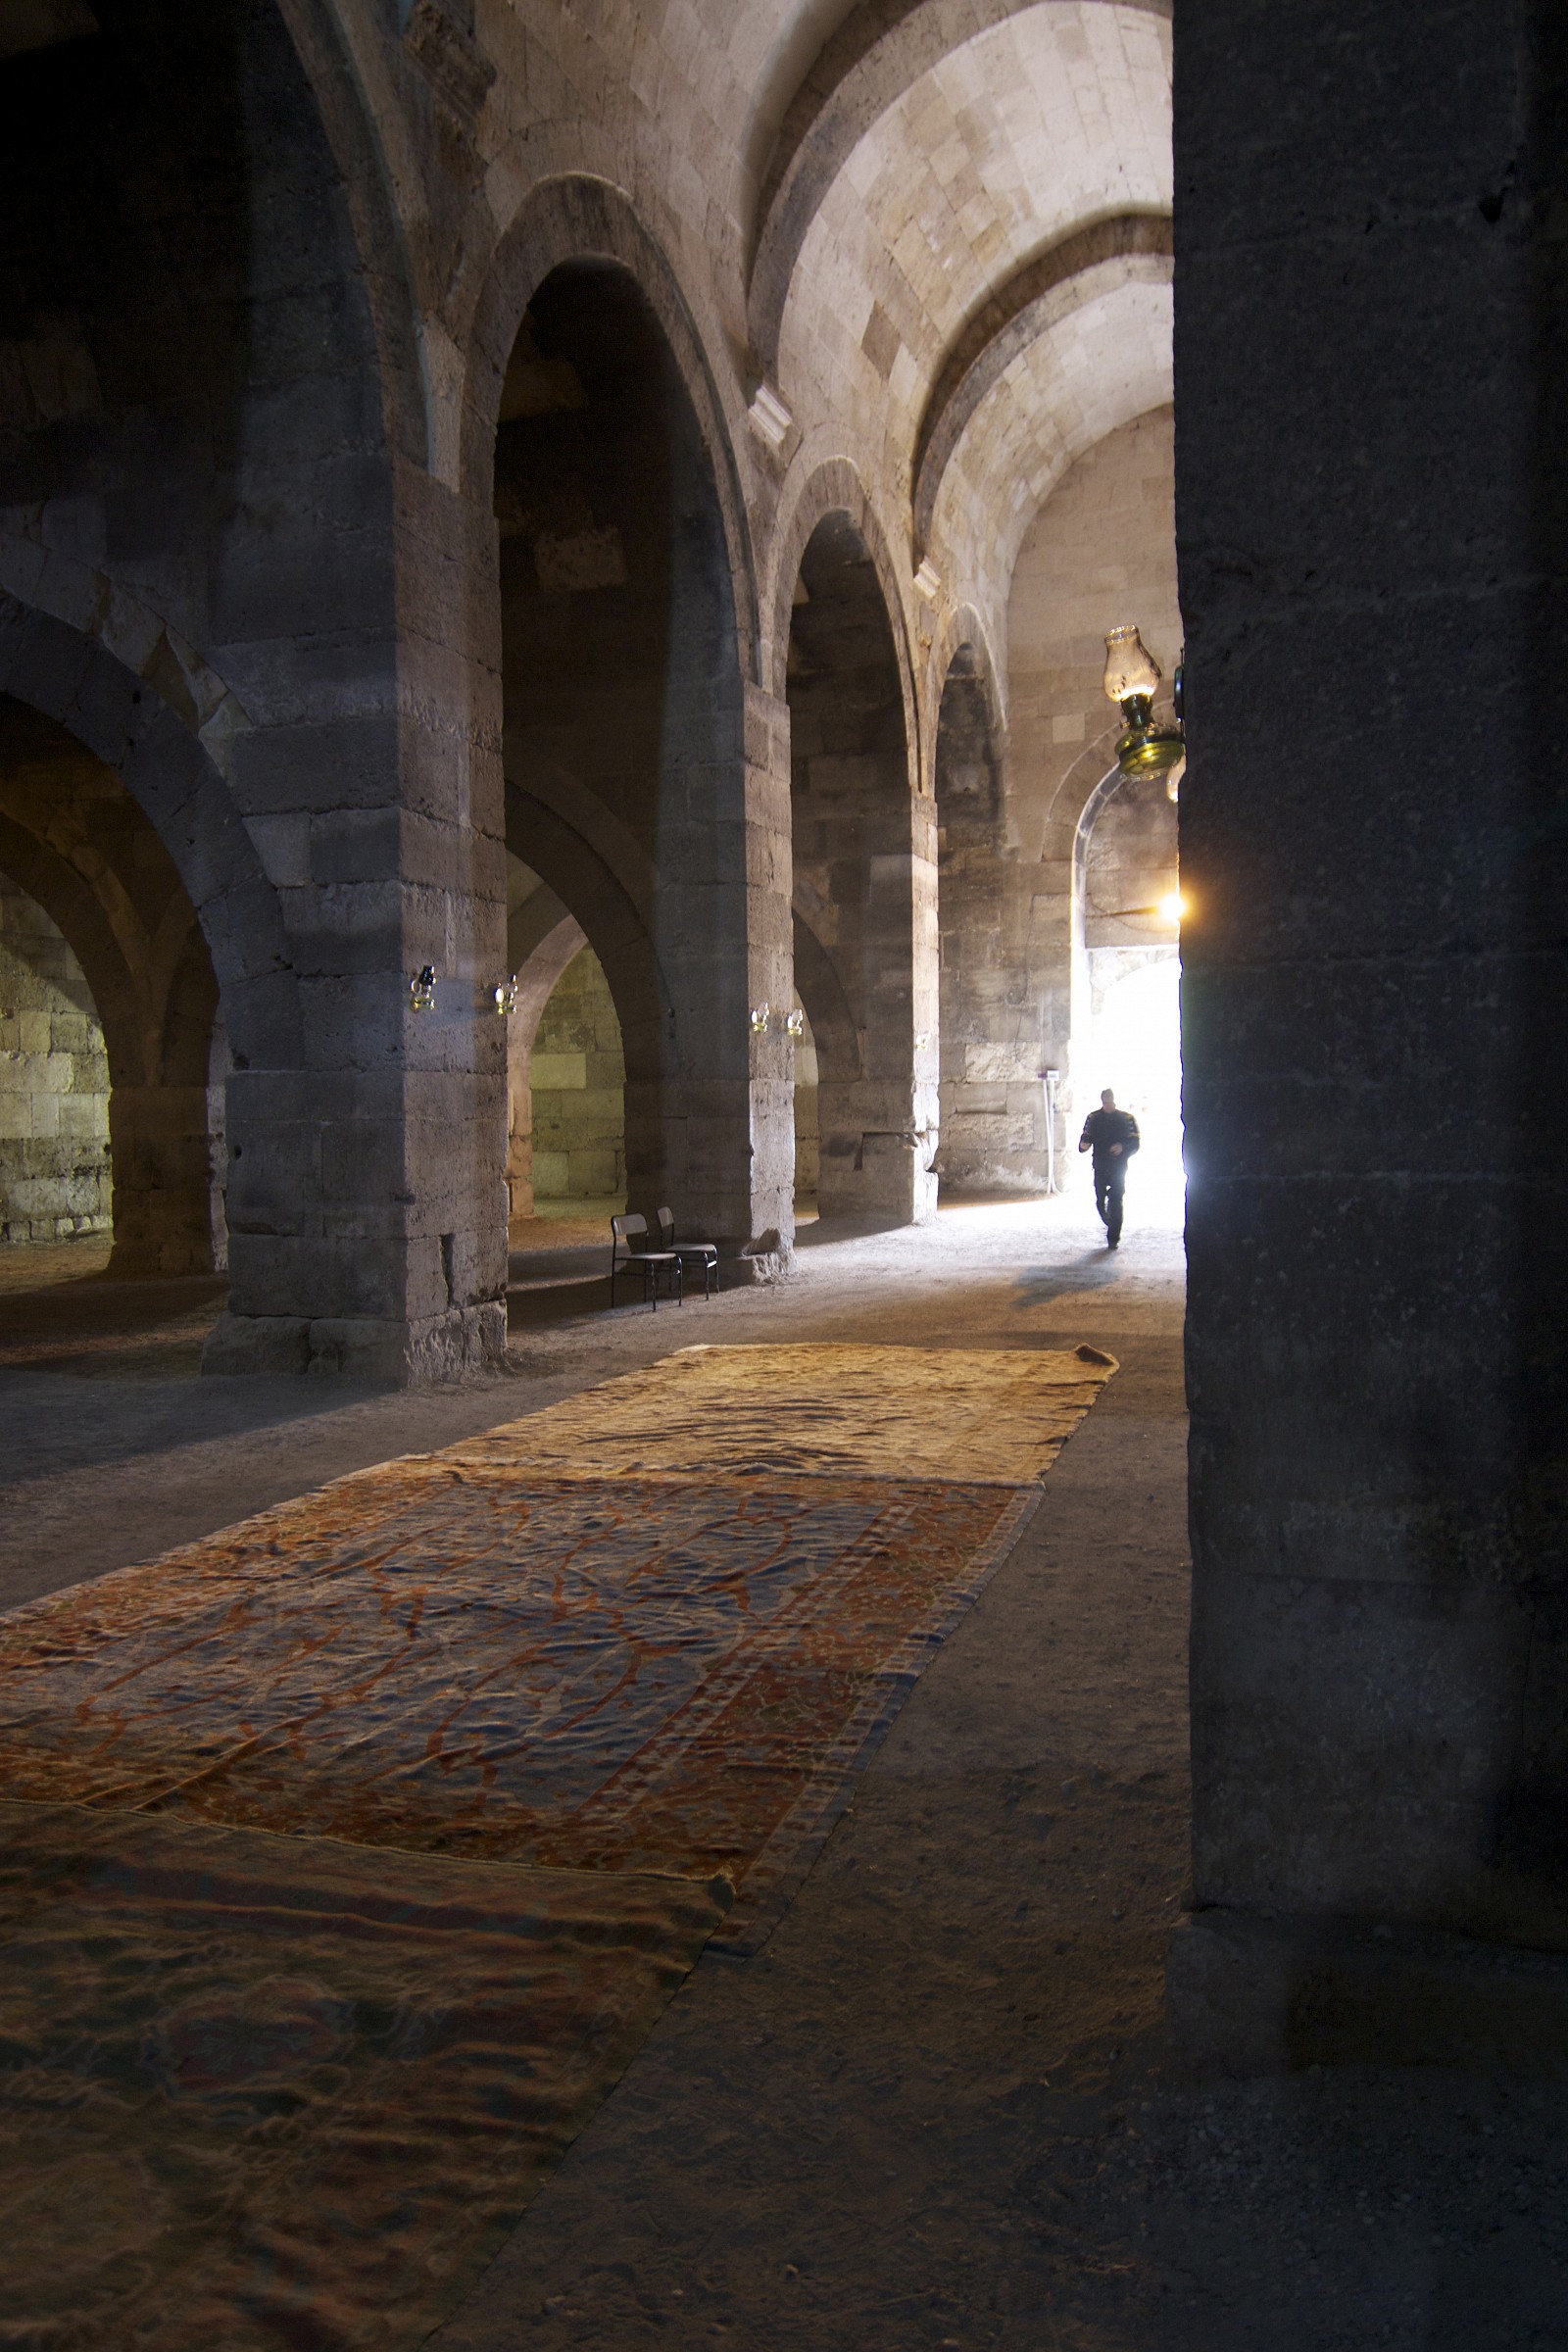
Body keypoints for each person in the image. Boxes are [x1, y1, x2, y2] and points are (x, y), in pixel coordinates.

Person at [1078, 1088, 1140, 1247]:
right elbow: (1085, 1138)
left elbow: (1135, 1143)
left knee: (1117, 1198)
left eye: (1110, 1101)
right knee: (1100, 1200)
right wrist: (1083, 1145)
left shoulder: (1127, 1118)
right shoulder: (1093, 1118)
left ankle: (1113, 1238)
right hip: (1099, 1164)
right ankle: (1109, 1220)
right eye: (1106, 1101)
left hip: (1118, 1166)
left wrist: (1123, 1147)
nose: (1108, 1104)